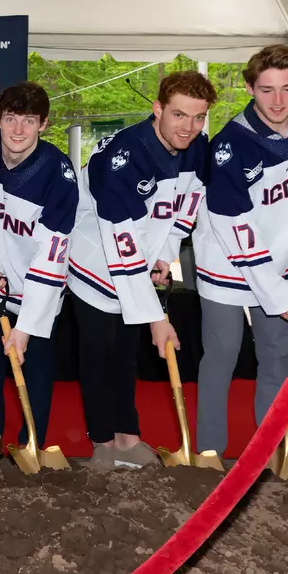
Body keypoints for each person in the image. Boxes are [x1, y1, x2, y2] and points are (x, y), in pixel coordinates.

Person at [191, 45, 288, 460]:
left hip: (285, 263)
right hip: (228, 262)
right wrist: (282, 297)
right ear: (250, 87)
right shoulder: (229, 146)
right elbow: (235, 230)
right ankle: (207, 453)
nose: (278, 101)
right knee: (221, 355)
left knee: (276, 355)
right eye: (266, 90)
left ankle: (269, 450)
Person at [66, 71, 210, 470]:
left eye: (198, 118)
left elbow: (185, 208)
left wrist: (165, 256)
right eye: (179, 115)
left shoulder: (196, 147)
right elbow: (120, 243)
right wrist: (157, 318)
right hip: (96, 265)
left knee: (126, 355)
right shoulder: (118, 161)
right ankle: (101, 441)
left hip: (140, 261)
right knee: (98, 353)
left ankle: (127, 437)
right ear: (158, 108)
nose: (189, 127)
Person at [0, 82, 78, 468]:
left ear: (43, 124)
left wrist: (26, 326)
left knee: (36, 368)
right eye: (11, 119)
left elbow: (52, 255)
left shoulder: (58, 174)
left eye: (28, 121)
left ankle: (31, 441)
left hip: (38, 287)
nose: (18, 130)